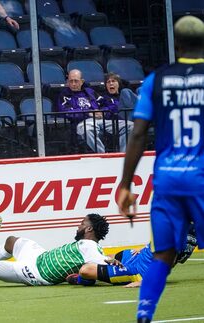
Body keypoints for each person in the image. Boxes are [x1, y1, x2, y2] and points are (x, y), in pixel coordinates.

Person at [117, 15, 204, 323]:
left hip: (167, 179)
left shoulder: (157, 80)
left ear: (176, 44)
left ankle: (144, 316)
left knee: (163, 254)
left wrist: (125, 184)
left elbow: (138, 134)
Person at [66, 226, 198, 288]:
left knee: (85, 270)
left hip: (137, 272)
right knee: (110, 256)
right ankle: (97, 274)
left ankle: (84, 280)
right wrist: (145, 248)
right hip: (139, 256)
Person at [58, 69, 130, 153]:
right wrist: (88, 113)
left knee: (129, 125)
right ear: (67, 82)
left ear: (82, 81)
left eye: (76, 81)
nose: (73, 84)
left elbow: (108, 103)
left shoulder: (90, 92)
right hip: (83, 122)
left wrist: (103, 112)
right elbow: (66, 112)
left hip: (101, 120)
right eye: (71, 81)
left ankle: (123, 155)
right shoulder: (64, 95)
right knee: (87, 130)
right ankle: (103, 155)